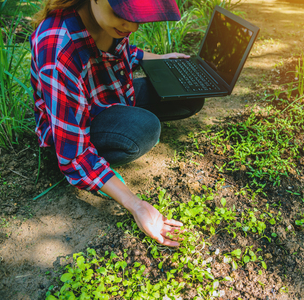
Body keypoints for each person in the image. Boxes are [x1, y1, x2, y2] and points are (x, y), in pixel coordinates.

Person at [30, 0, 204, 247]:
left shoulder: (107, 22)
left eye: (139, 17)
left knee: (189, 92)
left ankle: (127, 119)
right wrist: (136, 204)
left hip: (112, 96)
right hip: (76, 126)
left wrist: (160, 59)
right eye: (123, 14)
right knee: (145, 129)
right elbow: (74, 156)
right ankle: (113, 145)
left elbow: (126, 53)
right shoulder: (58, 48)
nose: (131, 26)